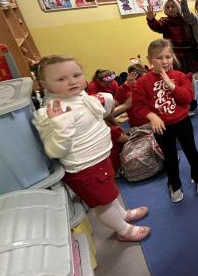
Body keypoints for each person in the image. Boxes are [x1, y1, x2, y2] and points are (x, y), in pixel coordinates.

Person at [33, 55, 150, 242]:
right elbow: (55, 151)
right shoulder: (50, 112)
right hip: (84, 168)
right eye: (61, 79)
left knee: (109, 194)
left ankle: (122, 215)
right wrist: (60, 125)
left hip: (99, 158)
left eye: (76, 75)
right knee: (102, 204)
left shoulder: (77, 96)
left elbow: (96, 115)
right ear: (44, 84)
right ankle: (124, 230)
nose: (72, 81)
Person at [132, 39, 198, 202]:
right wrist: (151, 115)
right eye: (159, 58)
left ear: (173, 57)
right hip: (162, 127)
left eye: (168, 57)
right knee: (170, 156)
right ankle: (174, 183)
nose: (164, 61)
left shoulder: (180, 76)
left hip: (182, 122)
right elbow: (137, 106)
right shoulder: (143, 82)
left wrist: (171, 85)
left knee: (191, 151)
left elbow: (187, 98)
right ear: (150, 59)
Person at [145, 0, 198, 113]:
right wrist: (151, 19)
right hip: (174, 56)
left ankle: (192, 98)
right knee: (176, 78)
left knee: (189, 78)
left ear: (178, 7)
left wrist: (196, 53)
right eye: (168, 7)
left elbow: (193, 35)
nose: (170, 9)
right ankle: (180, 101)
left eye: (173, 6)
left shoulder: (185, 20)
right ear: (165, 10)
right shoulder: (165, 21)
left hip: (188, 54)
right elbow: (157, 26)